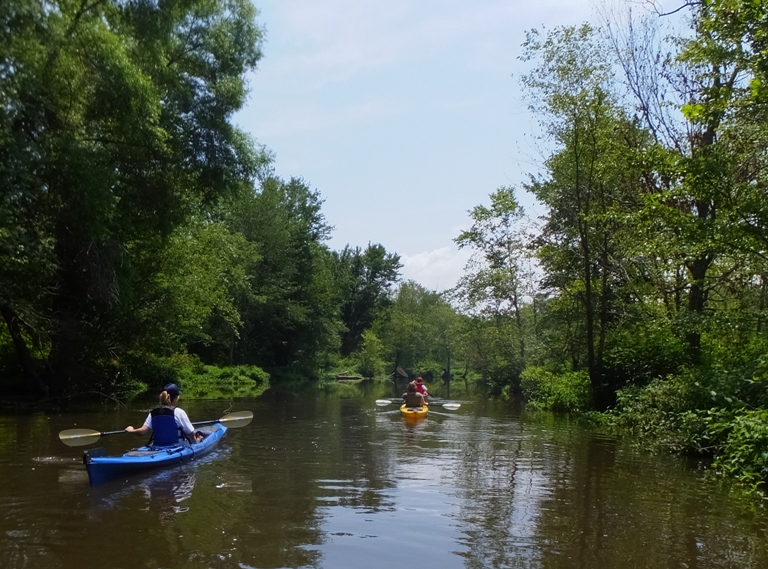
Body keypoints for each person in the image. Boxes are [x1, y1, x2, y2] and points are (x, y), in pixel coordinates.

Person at [125, 383, 203, 445]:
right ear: (175, 398)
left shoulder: (153, 413)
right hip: (177, 447)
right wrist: (197, 441)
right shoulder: (179, 412)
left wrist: (131, 430)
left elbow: (142, 432)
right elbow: (191, 435)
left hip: (158, 447)